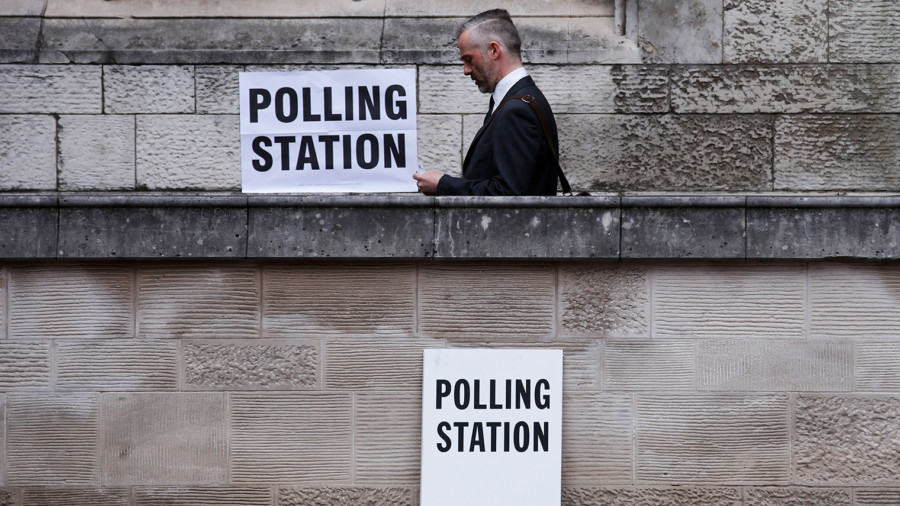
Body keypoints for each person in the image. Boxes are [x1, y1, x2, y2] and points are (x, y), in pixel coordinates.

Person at [413, 9, 560, 196]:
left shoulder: (516, 110)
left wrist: (444, 185)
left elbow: (509, 195)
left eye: (469, 59)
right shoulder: (523, 98)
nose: (466, 70)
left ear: (494, 50)